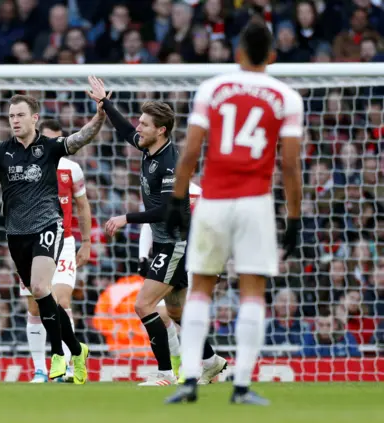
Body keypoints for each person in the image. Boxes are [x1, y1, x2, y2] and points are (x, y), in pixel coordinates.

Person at [165, 20, 303, 405]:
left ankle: (190, 380)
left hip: (213, 201)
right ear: (272, 56)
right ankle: (241, 386)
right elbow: (290, 165)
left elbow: (190, 152)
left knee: (201, 288)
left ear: (238, 53)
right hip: (255, 202)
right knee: (253, 292)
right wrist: (294, 218)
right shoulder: (286, 97)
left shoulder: (214, 89)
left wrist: (178, 200)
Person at [87, 77, 224, 386]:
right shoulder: (149, 148)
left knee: (143, 305)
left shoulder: (172, 163)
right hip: (166, 242)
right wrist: (105, 102)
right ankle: (212, 361)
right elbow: (123, 130)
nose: (139, 128)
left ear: (161, 130)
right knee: (176, 313)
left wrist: (126, 218)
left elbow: (166, 209)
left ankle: (164, 373)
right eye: (140, 122)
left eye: (145, 124)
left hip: (175, 243)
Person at [0, 92, 105, 384]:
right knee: (41, 296)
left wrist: (100, 115)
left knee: (40, 287)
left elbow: (82, 137)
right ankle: (78, 350)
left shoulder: (50, 148)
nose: (14, 121)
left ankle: (57, 356)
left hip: (48, 225)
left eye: (20, 115)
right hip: (16, 234)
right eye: (11, 116)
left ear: (34, 118)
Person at [21, 119, 93, 383]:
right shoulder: (26, 165)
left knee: (61, 300)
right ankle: (40, 369)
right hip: (30, 241)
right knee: (35, 306)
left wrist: (86, 242)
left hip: (64, 241)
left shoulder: (71, 169)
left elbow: (83, 206)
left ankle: (70, 363)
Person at [138, 182, 227, 385]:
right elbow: (149, 224)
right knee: (175, 313)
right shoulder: (161, 192)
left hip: (196, 261)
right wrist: (143, 256)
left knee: (170, 309)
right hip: (170, 257)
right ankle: (210, 361)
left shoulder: (200, 195)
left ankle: (188, 369)